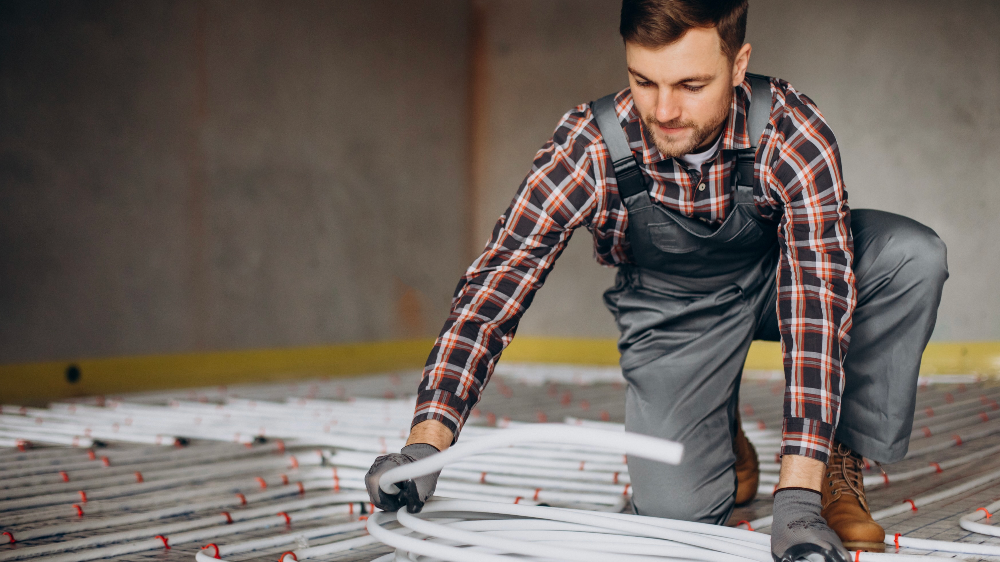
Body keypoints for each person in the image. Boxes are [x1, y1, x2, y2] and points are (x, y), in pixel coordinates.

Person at [366, 1, 948, 560]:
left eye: (691, 85)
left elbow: (817, 303)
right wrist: (425, 446)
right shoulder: (591, 145)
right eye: (644, 81)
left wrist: (796, 496)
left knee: (909, 255)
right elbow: (498, 283)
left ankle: (836, 466)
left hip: (781, 280)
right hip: (674, 312)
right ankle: (722, 432)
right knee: (673, 516)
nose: (663, 109)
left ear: (737, 65)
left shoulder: (791, 131)